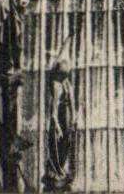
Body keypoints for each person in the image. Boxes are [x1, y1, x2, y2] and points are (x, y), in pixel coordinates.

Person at [43, 58, 76, 191]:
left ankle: (61, 170)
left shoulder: (67, 84)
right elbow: (54, 106)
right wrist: (55, 122)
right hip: (61, 116)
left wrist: (73, 118)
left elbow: (72, 103)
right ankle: (57, 171)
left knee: (66, 142)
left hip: (67, 115)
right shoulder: (56, 85)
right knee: (58, 143)